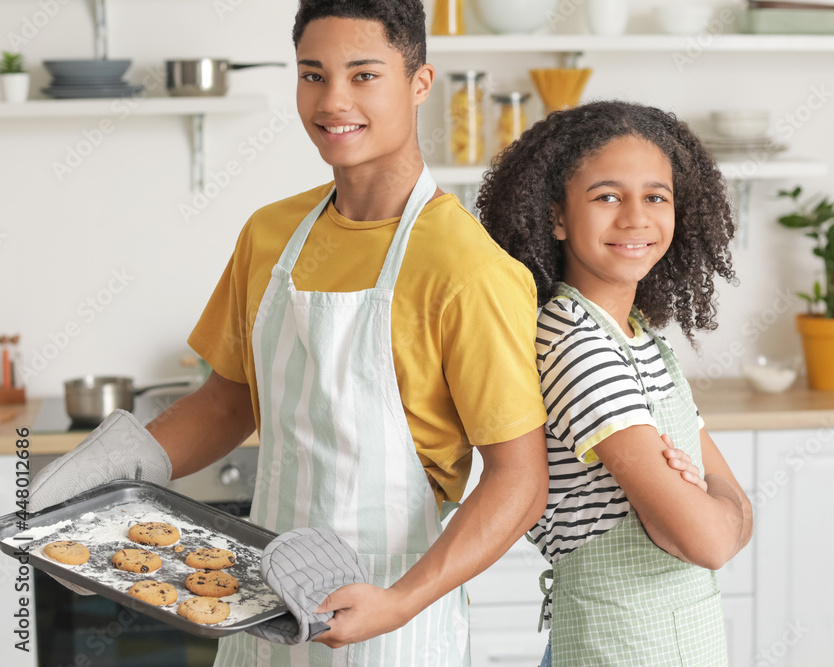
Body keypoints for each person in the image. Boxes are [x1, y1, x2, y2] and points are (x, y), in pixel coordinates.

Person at [28, 0, 550, 664]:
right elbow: (228, 399)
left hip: (389, 617)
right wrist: (121, 464)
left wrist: (401, 600)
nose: (333, 101)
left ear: (421, 83)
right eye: (312, 74)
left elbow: (519, 480)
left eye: (364, 75)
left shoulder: (468, 267)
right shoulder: (270, 235)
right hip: (262, 603)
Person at [477, 100, 754, 666]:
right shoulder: (575, 345)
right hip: (617, 647)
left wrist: (709, 507)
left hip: (683, 643)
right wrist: (711, 505)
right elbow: (710, 540)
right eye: (607, 196)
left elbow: (724, 517)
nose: (635, 217)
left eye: (655, 196)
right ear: (555, 216)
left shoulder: (638, 337)